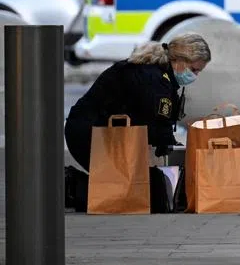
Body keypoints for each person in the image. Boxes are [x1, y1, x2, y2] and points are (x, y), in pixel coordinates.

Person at [64, 33, 212, 210]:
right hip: (92, 135)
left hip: (91, 131)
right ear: (179, 60)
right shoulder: (155, 79)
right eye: (194, 70)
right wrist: (179, 157)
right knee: (132, 193)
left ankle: (72, 186)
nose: (194, 76)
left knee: (129, 188)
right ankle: (70, 186)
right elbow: (157, 125)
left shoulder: (155, 71)